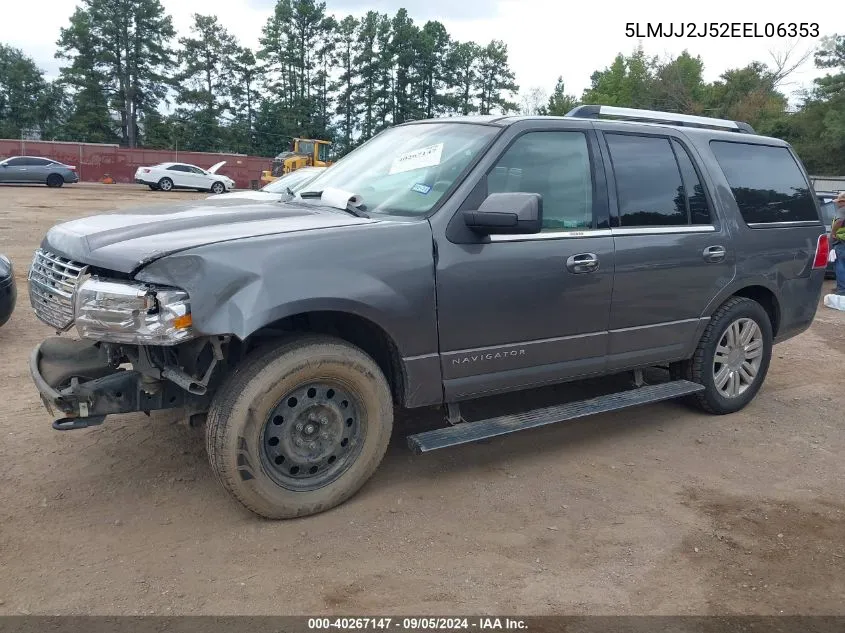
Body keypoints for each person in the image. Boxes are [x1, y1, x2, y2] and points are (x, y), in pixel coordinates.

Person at [831, 192, 845, 295]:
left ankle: (842, 290)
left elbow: (839, 221)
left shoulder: (842, 210)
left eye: (838, 202)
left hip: (841, 242)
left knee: (840, 265)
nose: (837, 204)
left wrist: (833, 232)